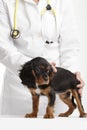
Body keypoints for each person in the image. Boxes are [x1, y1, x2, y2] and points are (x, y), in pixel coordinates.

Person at [0, 0, 84, 117]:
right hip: (19, 92)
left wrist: (72, 74)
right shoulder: (5, 2)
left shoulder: (62, 2)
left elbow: (70, 45)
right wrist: (32, 67)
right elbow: (3, 47)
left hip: (57, 86)